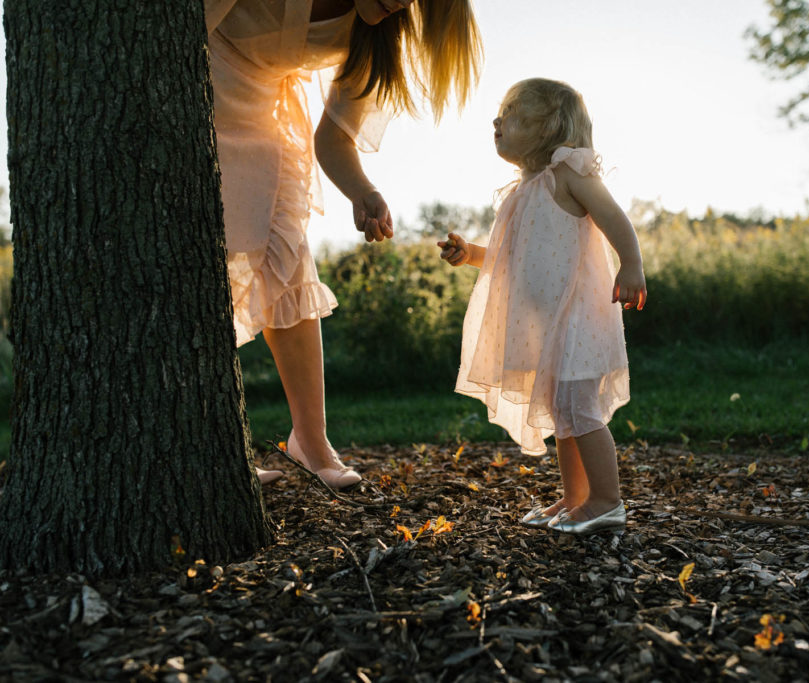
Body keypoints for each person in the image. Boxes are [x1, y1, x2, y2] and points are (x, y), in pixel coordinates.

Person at [203, 0, 482, 487]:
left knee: (290, 265)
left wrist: (364, 191)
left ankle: (311, 443)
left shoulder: (378, 39)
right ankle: (208, 446)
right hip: (197, 90)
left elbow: (334, 138)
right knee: (203, 269)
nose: (399, 3)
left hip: (266, 117)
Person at [437, 78, 646, 534]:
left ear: (549, 124)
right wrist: (470, 253)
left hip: (578, 318)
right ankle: (577, 499)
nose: (498, 120)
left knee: (580, 409)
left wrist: (631, 264)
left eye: (511, 112)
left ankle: (607, 502)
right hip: (549, 326)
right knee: (563, 410)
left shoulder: (570, 172)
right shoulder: (523, 192)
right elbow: (509, 261)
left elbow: (614, 216)